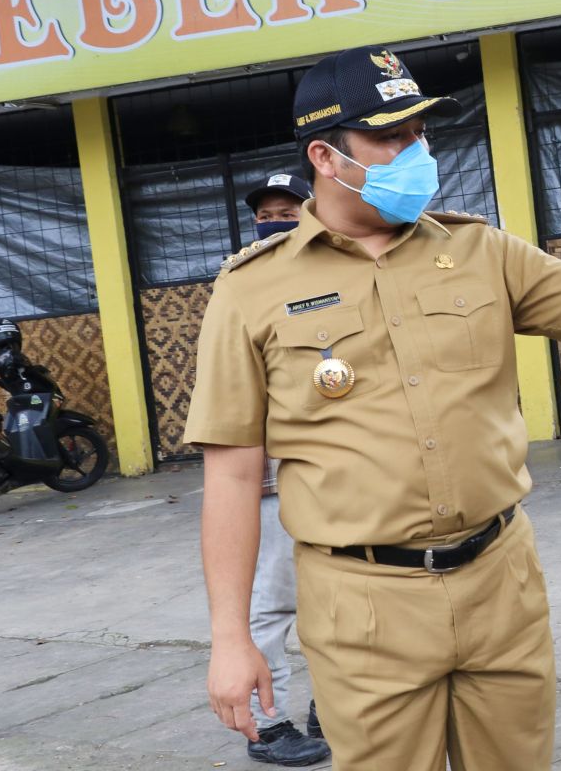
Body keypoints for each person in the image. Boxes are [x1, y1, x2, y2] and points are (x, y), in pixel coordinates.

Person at [185, 45, 561, 771]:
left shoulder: (479, 250)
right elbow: (229, 475)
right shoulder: (251, 288)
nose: (415, 149)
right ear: (325, 154)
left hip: (499, 581)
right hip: (363, 601)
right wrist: (232, 638)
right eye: (389, 136)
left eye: (419, 132)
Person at [234, 173, 331, 767]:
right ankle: (267, 726)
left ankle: (333, 706)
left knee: (336, 598)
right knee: (270, 606)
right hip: (270, 480)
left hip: (333, 476)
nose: (276, 221)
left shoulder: (338, 274)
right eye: (266, 213)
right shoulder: (242, 287)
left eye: (288, 210)